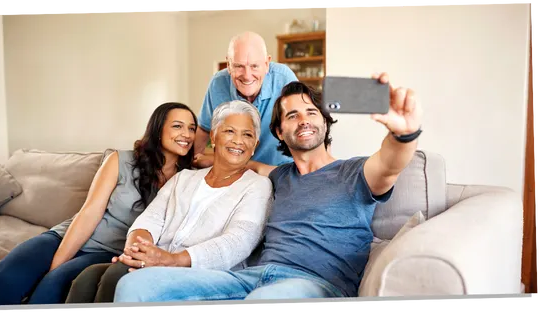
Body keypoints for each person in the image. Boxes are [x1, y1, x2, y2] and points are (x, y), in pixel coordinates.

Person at [113, 72, 423, 302]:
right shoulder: (278, 176)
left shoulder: (355, 172)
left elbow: (390, 163)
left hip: (316, 286)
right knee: (135, 286)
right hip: (249, 279)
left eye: (311, 112)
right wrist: (202, 157)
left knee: (263, 303)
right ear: (278, 130)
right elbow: (239, 160)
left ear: (325, 123)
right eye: (292, 115)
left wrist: (405, 134)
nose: (303, 120)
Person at [64, 100, 273, 304]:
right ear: (214, 137)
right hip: (159, 262)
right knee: (87, 278)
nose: (238, 141)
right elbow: (149, 220)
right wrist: (138, 252)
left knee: (116, 275)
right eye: (229, 131)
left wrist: (170, 260)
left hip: (206, 273)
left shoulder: (258, 186)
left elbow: (237, 243)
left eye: (247, 135)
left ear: (254, 145)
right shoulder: (185, 178)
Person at [0, 102, 198, 305]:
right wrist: (56, 264)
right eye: (177, 126)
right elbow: (89, 213)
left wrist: (52, 275)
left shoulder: (188, 180)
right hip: (65, 236)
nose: (187, 134)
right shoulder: (120, 160)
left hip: (107, 252)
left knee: (49, 290)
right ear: (157, 129)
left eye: (192, 128)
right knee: (4, 278)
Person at [192, 31, 298, 174]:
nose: (247, 76)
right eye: (239, 66)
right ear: (229, 65)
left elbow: (304, 126)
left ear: (267, 64)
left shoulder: (284, 79)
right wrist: (190, 168)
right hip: (233, 171)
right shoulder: (218, 83)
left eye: (254, 66)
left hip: (278, 170)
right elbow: (204, 129)